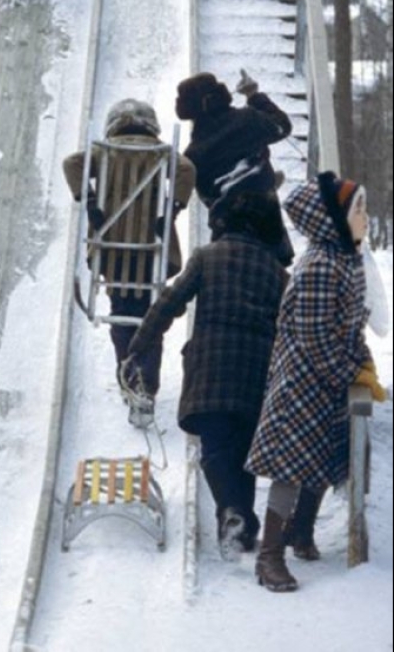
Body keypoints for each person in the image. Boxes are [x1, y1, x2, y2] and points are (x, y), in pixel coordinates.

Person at [124, 190, 288, 560]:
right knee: (245, 449)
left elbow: (169, 301)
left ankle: (231, 512)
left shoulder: (207, 257)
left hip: (210, 367)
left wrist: (138, 347)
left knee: (215, 450)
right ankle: (242, 526)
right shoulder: (277, 273)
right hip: (256, 371)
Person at [245, 173, 386, 592]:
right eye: (357, 208)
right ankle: (269, 555)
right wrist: (351, 373)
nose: (365, 216)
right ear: (333, 220)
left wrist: (365, 365)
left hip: (326, 382)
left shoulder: (345, 259)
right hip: (301, 385)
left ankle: (301, 531)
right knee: (290, 470)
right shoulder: (320, 266)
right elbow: (315, 338)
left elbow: (350, 326)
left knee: (325, 459)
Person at [62, 98, 195, 425]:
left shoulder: (103, 151)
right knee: (150, 315)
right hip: (152, 251)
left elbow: (71, 164)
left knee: (122, 313)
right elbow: (188, 170)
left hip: (113, 251)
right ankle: (147, 384)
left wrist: (89, 200)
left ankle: (128, 375)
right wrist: (173, 209)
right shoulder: (162, 153)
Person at [175, 68, 294, 264]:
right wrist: (253, 95)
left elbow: (208, 197)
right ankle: (263, 179)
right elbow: (282, 126)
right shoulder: (248, 119)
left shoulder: (194, 154)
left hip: (227, 240)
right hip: (268, 229)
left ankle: (261, 180)